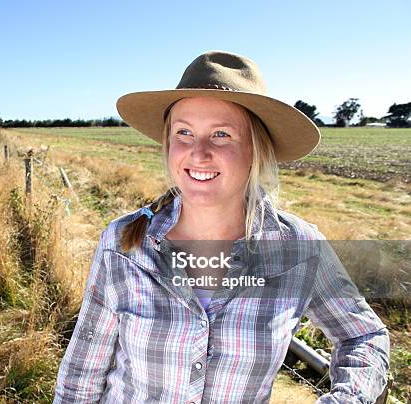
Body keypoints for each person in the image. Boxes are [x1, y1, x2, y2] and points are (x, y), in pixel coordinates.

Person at [53, 51, 390, 403]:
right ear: (168, 144)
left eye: (221, 134)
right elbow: (82, 373)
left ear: (255, 150)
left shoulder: (298, 248)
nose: (198, 153)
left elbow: (363, 336)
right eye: (184, 132)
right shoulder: (123, 243)